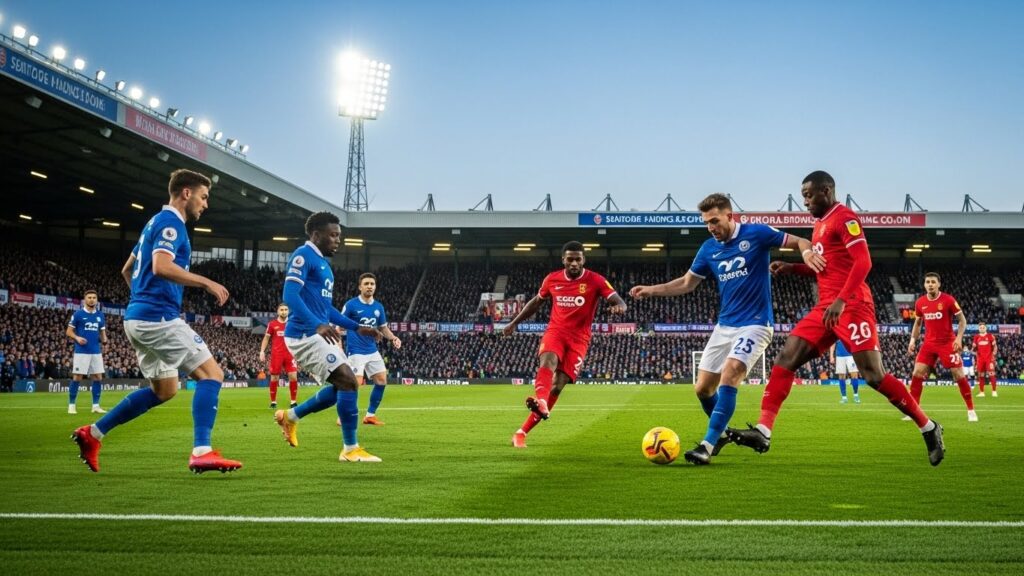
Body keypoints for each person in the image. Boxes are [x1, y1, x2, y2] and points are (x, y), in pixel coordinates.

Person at [728, 171, 945, 466]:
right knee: (786, 358)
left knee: (873, 375)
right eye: (803, 195)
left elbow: (863, 261)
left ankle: (929, 427)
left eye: (809, 194)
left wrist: (842, 301)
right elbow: (826, 268)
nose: (805, 201)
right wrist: (793, 268)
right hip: (826, 307)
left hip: (852, 304)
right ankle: (764, 430)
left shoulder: (845, 218)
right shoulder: (818, 225)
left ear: (826, 191)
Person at [629, 193, 822, 464]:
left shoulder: (757, 234)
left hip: (755, 324)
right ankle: (720, 432)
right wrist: (652, 290)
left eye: (715, 221)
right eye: (707, 223)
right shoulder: (709, 249)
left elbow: (801, 240)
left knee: (730, 373)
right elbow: (687, 283)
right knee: (703, 390)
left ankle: (706, 446)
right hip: (724, 326)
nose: (711, 227)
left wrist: (807, 251)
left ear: (730, 216)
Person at [71, 169, 242, 474]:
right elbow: (161, 266)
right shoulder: (171, 223)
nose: (206, 205)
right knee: (212, 375)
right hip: (157, 318)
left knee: (165, 390)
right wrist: (205, 282)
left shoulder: (152, 223)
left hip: (138, 318)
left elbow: (127, 269)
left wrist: (141, 299)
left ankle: (93, 433)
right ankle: (202, 450)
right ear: (186, 193)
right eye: (203, 197)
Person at [271, 212, 383, 462]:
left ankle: (290, 417)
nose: (338, 240)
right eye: (333, 235)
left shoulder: (324, 265)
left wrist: (357, 327)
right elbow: (290, 295)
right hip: (303, 334)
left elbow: (326, 309)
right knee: (348, 381)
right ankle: (350, 449)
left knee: (343, 385)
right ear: (316, 234)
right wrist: (317, 325)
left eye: (339, 235)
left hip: (315, 334)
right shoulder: (303, 255)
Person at [504, 241, 628, 448]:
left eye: (578, 259)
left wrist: (619, 308)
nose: (573, 263)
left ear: (583, 260)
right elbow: (536, 302)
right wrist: (514, 322)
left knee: (558, 385)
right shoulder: (552, 279)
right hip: (556, 332)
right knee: (548, 360)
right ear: (563, 260)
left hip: (579, 340)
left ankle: (521, 432)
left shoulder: (596, 280)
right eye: (569, 259)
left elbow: (620, 301)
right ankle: (541, 402)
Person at [906, 273, 976, 422]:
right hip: (929, 344)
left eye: (933, 282)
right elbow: (918, 323)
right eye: (927, 282)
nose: (930, 284)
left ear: (939, 284)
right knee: (917, 372)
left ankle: (971, 410)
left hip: (947, 343)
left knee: (958, 374)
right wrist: (912, 341)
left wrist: (958, 338)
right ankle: (913, 412)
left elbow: (962, 321)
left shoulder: (948, 300)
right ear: (924, 285)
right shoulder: (920, 303)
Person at [341, 273, 402, 426]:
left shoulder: (378, 307)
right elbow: (340, 324)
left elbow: (383, 327)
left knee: (381, 380)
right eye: (366, 283)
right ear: (360, 286)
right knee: (355, 384)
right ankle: (344, 416)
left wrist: (394, 338)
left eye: (372, 284)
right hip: (355, 351)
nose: (369, 286)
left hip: (372, 350)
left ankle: (370, 415)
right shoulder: (351, 305)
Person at [65, 290, 108, 414]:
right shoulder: (78, 314)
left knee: (98, 377)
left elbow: (102, 331)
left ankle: (95, 406)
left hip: (96, 351)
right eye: (89, 297)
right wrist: (77, 338)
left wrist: (104, 339)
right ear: (85, 299)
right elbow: (69, 332)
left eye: (94, 297)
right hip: (81, 351)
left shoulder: (100, 315)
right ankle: (72, 405)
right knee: (77, 377)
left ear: (97, 300)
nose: (92, 299)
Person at [260, 303, 299, 409]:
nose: (284, 311)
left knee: (293, 376)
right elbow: (266, 338)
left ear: (288, 311)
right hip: (277, 355)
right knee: (274, 378)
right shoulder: (272, 324)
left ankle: (293, 401)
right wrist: (262, 351)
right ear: (278, 311)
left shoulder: (292, 323)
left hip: (290, 354)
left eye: (286, 309)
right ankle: (273, 402)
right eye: (281, 310)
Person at [973, 322, 998, 397]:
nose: (982, 328)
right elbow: (974, 348)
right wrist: (973, 350)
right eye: (980, 327)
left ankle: (994, 391)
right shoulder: (976, 337)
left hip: (989, 359)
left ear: (986, 328)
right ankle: (981, 392)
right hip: (980, 359)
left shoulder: (990, 336)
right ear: (978, 329)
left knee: (991, 374)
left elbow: (995, 347)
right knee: (981, 375)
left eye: (983, 327)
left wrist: (993, 355)